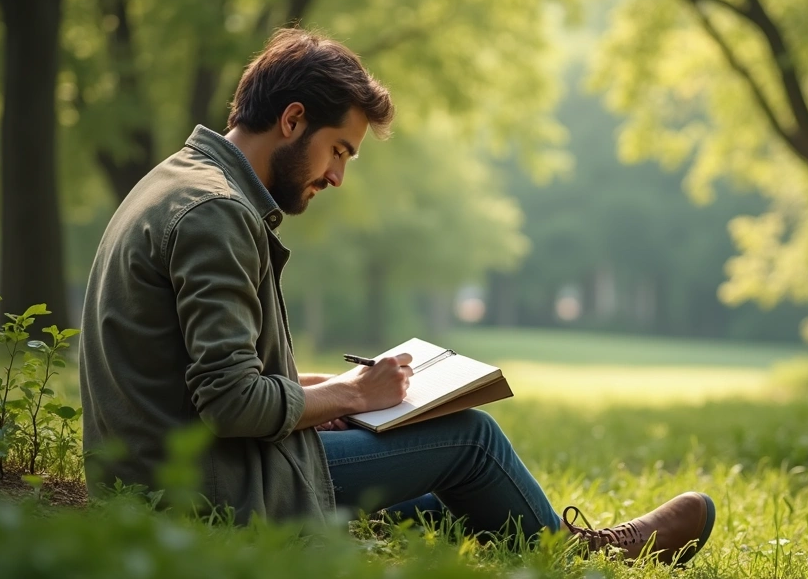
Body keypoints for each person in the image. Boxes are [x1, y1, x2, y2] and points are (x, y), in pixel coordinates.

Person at [78, 28, 715, 565]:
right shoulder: (217, 213)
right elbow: (229, 403)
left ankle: (555, 543)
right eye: (339, 150)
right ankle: (585, 557)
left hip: (162, 473)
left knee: (452, 490)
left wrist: (322, 393)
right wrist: (356, 395)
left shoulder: (178, 181)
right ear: (292, 118)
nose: (337, 175)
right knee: (470, 441)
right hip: (206, 491)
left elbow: (199, 378)